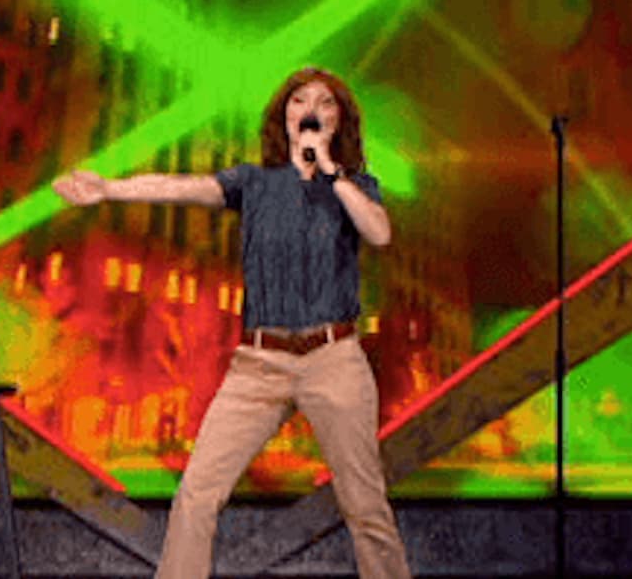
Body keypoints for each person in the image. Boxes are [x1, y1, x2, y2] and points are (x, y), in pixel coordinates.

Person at [53, 67, 411, 579]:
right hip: (259, 365)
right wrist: (109, 188)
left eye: (325, 102)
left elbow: (379, 233)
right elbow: (181, 188)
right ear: (283, 117)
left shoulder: (354, 186)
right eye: (299, 100)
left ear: (339, 121)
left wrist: (331, 172)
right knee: (196, 494)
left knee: (365, 505)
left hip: (334, 361)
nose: (311, 109)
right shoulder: (254, 183)